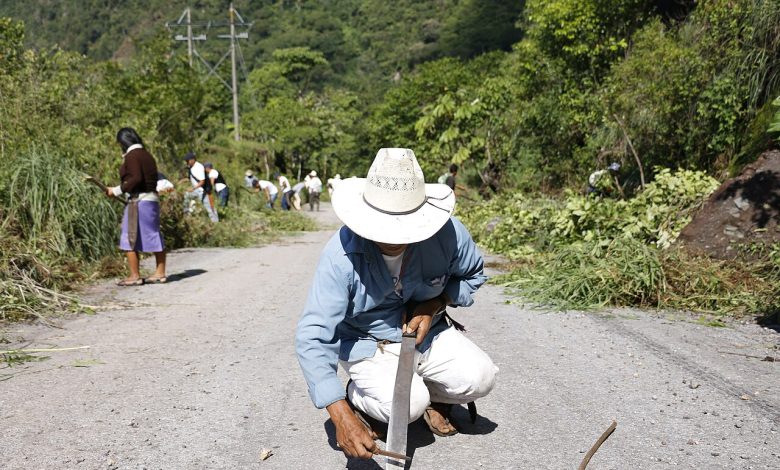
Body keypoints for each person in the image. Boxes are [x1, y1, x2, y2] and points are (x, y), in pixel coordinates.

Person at [295, 148, 498, 461]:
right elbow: (314, 335)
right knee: (409, 404)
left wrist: (435, 303)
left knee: (480, 377)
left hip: (425, 334)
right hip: (367, 343)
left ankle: (426, 395)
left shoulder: (447, 235)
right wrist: (340, 414)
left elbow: (473, 275)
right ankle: (357, 395)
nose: (394, 235)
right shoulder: (340, 256)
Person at [107, 128, 167, 286]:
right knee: (153, 234)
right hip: (150, 200)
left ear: (123, 142)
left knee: (129, 237)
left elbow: (135, 178)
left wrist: (116, 190)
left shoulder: (132, 156)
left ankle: (135, 276)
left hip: (139, 202)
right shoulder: (147, 155)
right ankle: (160, 273)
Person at [183, 152, 219, 222]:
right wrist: (180, 182)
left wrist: (192, 189)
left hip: (202, 191)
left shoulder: (198, 167)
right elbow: (190, 178)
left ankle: (215, 222)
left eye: (188, 160)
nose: (187, 162)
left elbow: (202, 181)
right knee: (186, 196)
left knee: (209, 207)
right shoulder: (191, 168)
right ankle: (186, 216)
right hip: (196, 190)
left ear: (192, 160)